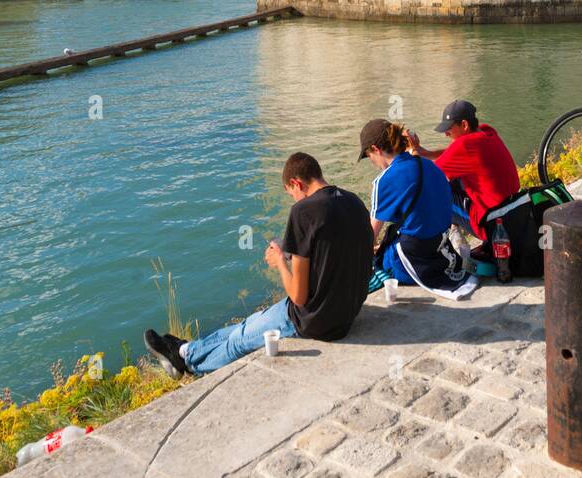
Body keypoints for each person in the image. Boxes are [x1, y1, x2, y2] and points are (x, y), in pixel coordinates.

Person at [144, 152, 372, 377]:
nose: (293, 199)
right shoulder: (354, 202)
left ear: (296, 183)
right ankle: (185, 349)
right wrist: (294, 252)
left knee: (239, 342)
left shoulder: (303, 211)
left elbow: (299, 298)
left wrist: (280, 262)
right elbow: (335, 251)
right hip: (345, 314)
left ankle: (190, 365)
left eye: (291, 193)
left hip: (315, 320)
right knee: (247, 325)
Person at [358, 118, 478, 301]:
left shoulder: (384, 180)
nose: (372, 162)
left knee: (378, 262)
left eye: (369, 156)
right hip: (440, 246)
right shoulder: (429, 165)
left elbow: (368, 235)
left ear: (376, 149)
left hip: (414, 256)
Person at [404, 99, 519, 243]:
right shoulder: (486, 131)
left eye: (449, 129)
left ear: (464, 125)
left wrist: (411, 150)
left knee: (433, 194)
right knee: (450, 181)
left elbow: (426, 174)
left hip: (491, 224)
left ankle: (438, 245)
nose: (446, 134)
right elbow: (452, 154)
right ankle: (452, 229)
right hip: (512, 210)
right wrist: (424, 152)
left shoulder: (465, 146)